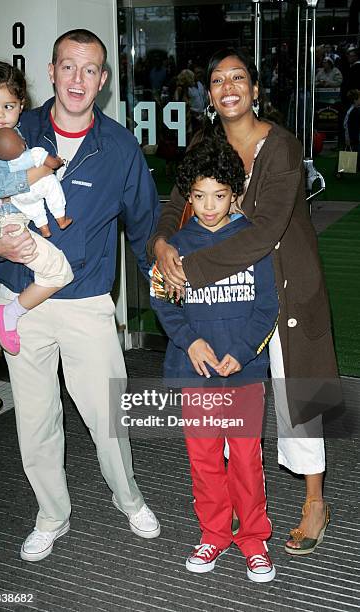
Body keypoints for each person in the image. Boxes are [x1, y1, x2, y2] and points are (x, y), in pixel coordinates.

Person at [0, 29, 161, 561]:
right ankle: (51, 515)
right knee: (35, 422)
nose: (78, 79)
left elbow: (145, 229)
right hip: (17, 303)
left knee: (107, 416)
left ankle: (129, 499)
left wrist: (174, 307)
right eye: (67, 67)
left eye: (90, 69)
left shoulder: (120, 147)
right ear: (51, 72)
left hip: (85, 303)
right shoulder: (10, 128)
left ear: (102, 81)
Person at [149, 47, 340, 555]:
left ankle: (315, 502)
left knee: (302, 397)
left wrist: (187, 271)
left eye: (239, 77)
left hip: (287, 288)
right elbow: (175, 202)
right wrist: (163, 244)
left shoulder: (281, 146)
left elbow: (264, 233)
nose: (228, 85)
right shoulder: (205, 144)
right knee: (226, 400)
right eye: (217, 79)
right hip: (229, 296)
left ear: (255, 91)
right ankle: (226, 512)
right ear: (209, 95)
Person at [151, 137, 278, 582]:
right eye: (199, 196)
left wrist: (241, 354)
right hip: (195, 370)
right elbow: (163, 301)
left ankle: (253, 538)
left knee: (246, 458)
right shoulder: (175, 245)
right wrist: (191, 342)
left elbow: (268, 305)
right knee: (204, 458)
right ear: (188, 195)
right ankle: (214, 533)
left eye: (219, 196)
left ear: (235, 194)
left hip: (242, 373)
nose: (209, 206)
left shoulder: (251, 240)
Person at [0, 61, 74, 355]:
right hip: (2, 216)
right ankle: (8, 315)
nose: (0, 115)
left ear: (21, 105)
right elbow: (1, 185)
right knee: (58, 272)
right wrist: (42, 172)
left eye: (9, 106)